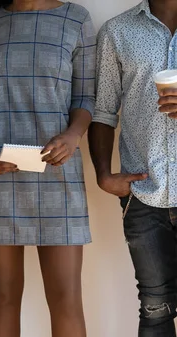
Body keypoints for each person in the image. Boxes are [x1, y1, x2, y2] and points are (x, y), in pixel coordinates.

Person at [0, 0, 96, 336]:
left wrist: (73, 136)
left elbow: (85, 97)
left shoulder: (76, 19)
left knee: (66, 298)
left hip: (58, 173)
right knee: (3, 298)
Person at [91, 0, 177, 336]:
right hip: (143, 196)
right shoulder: (118, 30)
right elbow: (103, 111)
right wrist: (103, 174)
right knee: (155, 310)